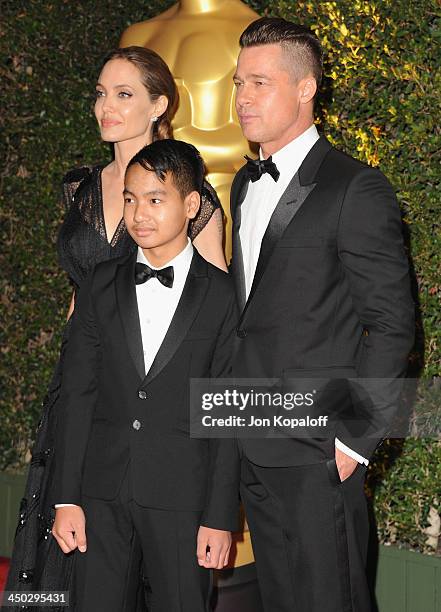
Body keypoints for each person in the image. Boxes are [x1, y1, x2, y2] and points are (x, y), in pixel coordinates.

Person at [4, 46, 226, 609]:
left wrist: (212, 497)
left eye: (123, 93)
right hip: (87, 386)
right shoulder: (80, 186)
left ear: (159, 105)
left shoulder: (187, 189)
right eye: (100, 92)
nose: (105, 105)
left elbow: (212, 332)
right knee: (75, 549)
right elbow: (82, 297)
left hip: (165, 429)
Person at [230, 17, 414, 612]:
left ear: (306, 88)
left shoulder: (355, 188)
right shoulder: (241, 184)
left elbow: (392, 324)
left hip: (318, 446)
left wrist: (356, 441)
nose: (243, 97)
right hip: (251, 433)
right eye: (239, 83)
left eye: (260, 82)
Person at [50, 138, 239, 611]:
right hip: (100, 494)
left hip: (183, 498)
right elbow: (77, 394)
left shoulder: (224, 296)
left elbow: (229, 412)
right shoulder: (99, 283)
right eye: (130, 200)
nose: (139, 214)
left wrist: (220, 515)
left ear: (191, 203)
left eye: (155, 199)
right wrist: (65, 497)